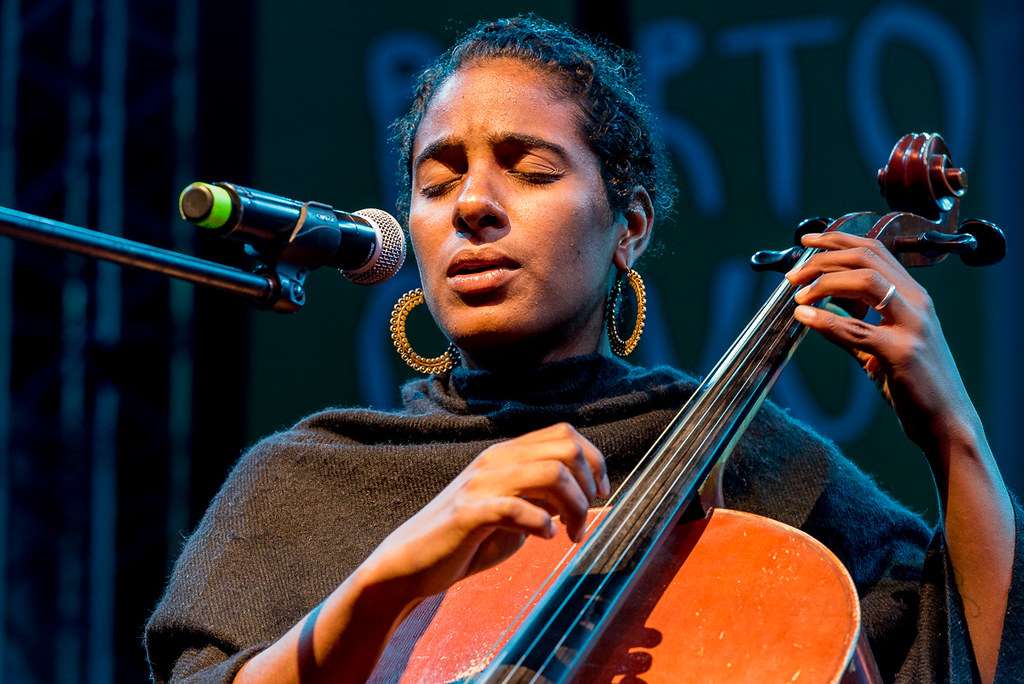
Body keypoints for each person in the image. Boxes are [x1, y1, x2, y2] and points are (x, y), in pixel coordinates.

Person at [145, 15, 1022, 684]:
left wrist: (953, 431)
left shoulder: (753, 461)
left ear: (629, 226)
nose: (471, 208)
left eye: (529, 169)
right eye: (436, 180)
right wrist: (396, 567)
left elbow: (960, 657)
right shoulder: (304, 478)